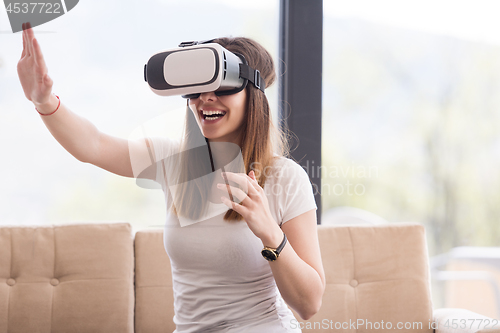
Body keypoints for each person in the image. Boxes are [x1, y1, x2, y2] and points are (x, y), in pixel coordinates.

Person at [17, 22, 326, 333]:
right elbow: (93, 145)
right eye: (196, 88)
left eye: (222, 86)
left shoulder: (285, 178)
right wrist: (44, 101)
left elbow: (308, 305)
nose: (205, 98)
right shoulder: (174, 163)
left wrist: (271, 233)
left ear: (252, 93)